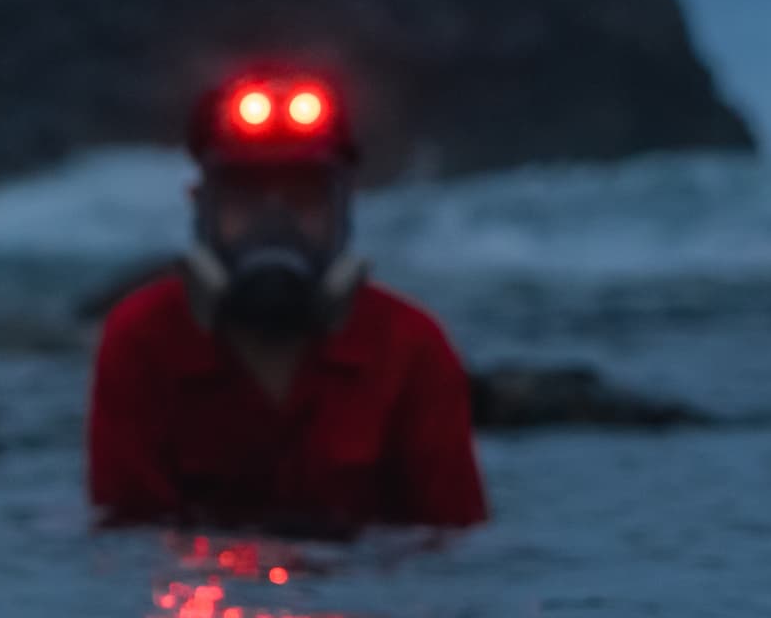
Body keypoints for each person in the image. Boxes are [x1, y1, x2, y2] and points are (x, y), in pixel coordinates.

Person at [87, 72, 489, 534]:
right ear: (201, 208)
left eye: (304, 200)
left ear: (344, 210)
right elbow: (128, 539)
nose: (274, 224)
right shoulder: (141, 339)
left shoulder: (412, 347)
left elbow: (451, 542)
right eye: (244, 198)